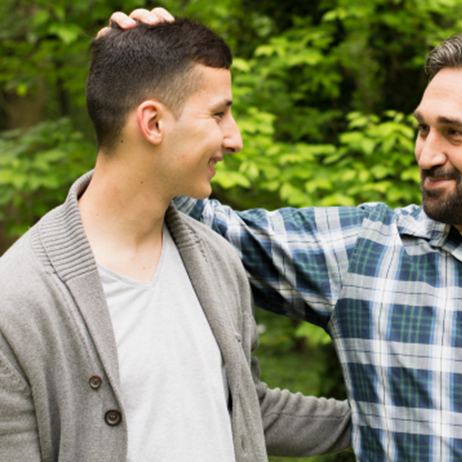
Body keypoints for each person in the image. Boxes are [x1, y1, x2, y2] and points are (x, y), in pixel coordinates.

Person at [110, 7, 462, 462]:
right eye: (422, 129)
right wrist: (136, 78)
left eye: (453, 133)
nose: (427, 155)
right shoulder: (370, 254)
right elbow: (185, 211)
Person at [0, 16, 352, 462]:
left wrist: (391, 415)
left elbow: (245, 406)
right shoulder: (17, 300)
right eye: (219, 114)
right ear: (152, 122)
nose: (235, 138)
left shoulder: (218, 262)